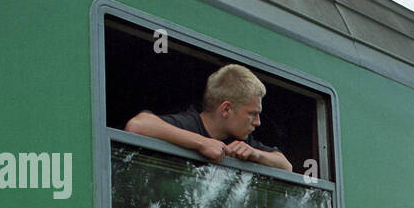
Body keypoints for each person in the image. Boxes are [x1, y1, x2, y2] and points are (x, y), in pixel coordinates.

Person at [125, 64, 293, 171]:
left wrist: (255, 154)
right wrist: (201, 143)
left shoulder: (240, 140)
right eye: (252, 114)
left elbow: (286, 166)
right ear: (226, 109)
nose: (258, 122)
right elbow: (137, 125)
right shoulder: (188, 124)